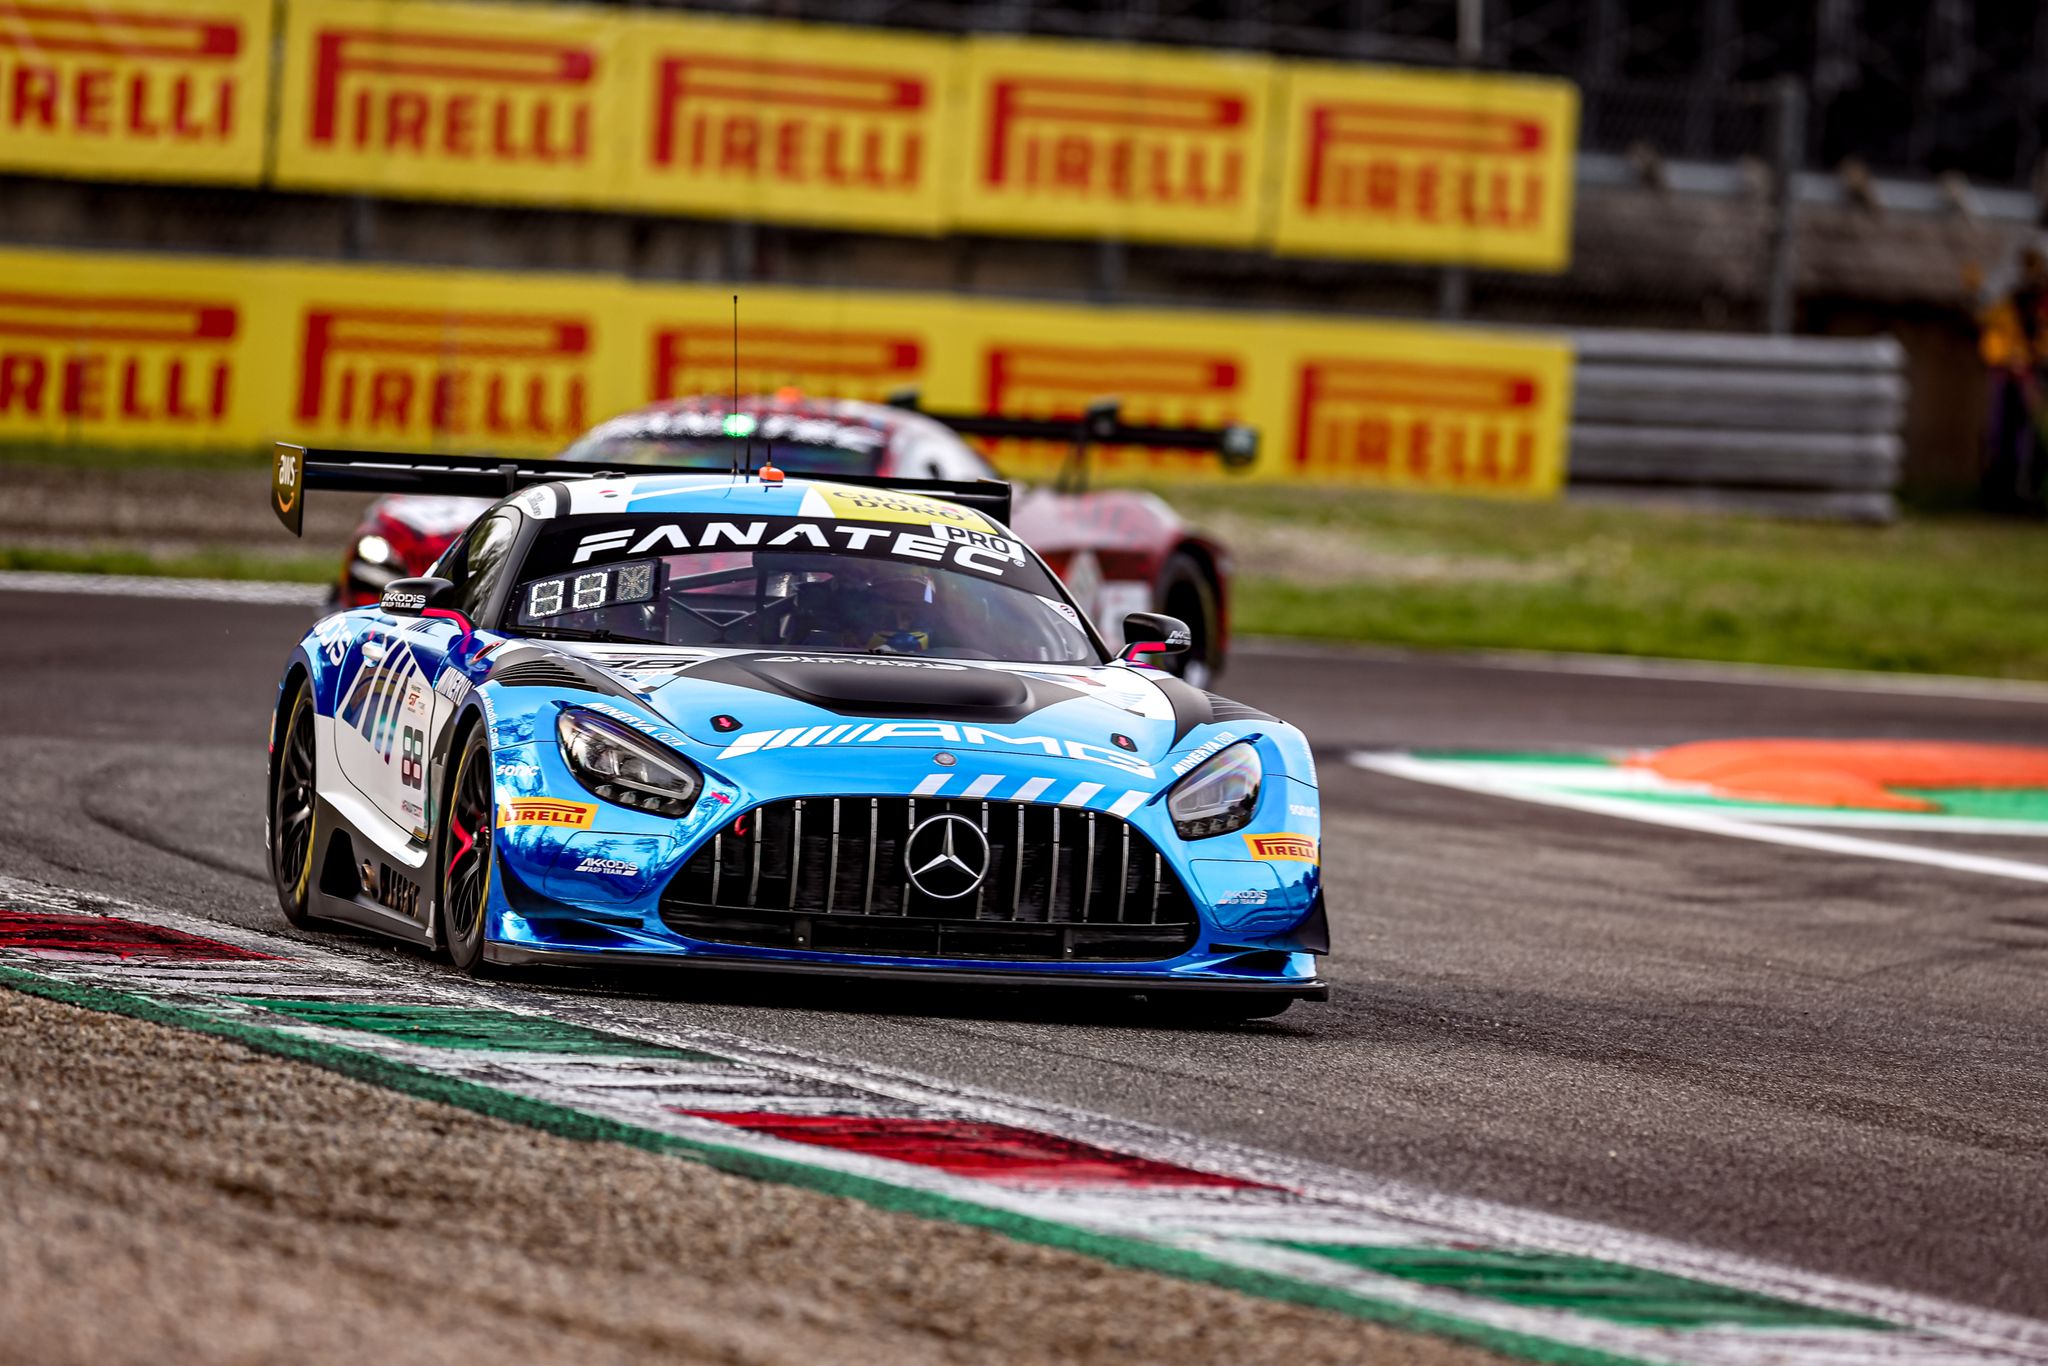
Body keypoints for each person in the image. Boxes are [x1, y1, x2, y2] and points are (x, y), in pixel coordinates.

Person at [1974, 245, 2048, 513]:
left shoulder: (2040, 314)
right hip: (2008, 383)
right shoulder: (2006, 311)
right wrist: (2014, 362)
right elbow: (1993, 345)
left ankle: (2028, 493)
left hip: (2034, 381)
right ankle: (2001, 494)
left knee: (2032, 441)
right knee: (2002, 439)